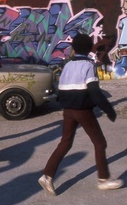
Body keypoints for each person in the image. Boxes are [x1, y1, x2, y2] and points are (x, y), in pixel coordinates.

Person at [38, 33, 124, 196]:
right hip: (83, 111)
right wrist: (109, 109)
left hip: (68, 111)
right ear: (89, 48)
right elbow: (94, 91)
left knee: (65, 142)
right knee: (100, 143)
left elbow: (61, 89)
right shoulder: (88, 65)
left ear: (74, 48)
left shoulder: (68, 65)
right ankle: (104, 180)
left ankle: (47, 176)